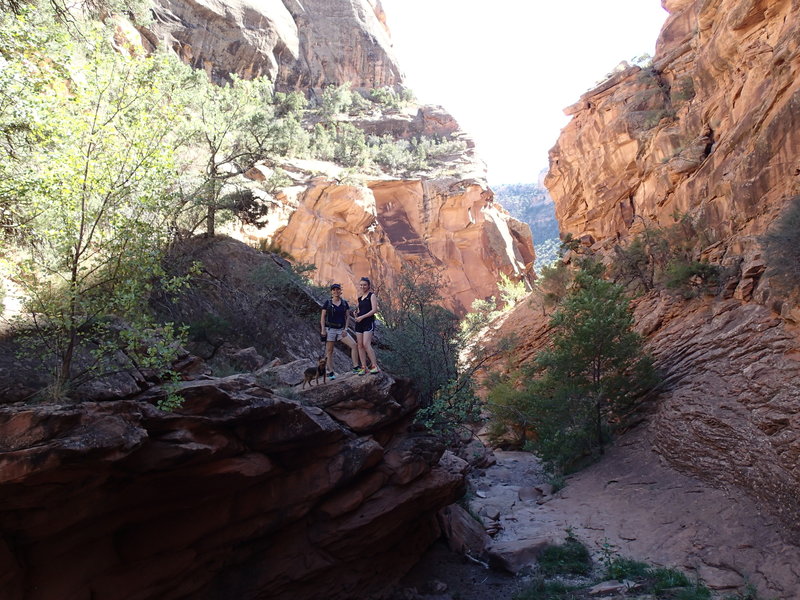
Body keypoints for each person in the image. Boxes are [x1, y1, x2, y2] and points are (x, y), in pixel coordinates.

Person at [320, 283, 359, 380]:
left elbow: (347, 317)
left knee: (354, 345)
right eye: (334, 290)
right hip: (330, 329)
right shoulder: (327, 303)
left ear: (340, 291)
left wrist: (346, 329)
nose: (336, 291)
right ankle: (330, 372)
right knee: (329, 350)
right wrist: (323, 329)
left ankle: (356, 367)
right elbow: (323, 317)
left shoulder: (344, 303)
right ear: (331, 292)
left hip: (341, 330)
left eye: (337, 289)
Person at [353, 276, 379, 375]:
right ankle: (364, 367)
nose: (362, 287)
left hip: (368, 322)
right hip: (359, 323)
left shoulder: (372, 296)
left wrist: (362, 317)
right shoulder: (360, 298)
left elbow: (374, 310)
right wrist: (356, 314)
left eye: (364, 285)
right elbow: (359, 310)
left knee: (366, 344)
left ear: (368, 286)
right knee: (359, 345)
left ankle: (374, 366)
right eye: (361, 285)